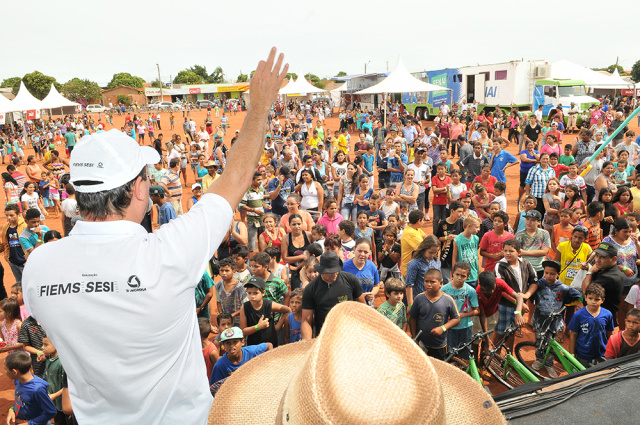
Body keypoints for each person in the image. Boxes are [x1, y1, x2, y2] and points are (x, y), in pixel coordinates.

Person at [22, 48, 287, 424]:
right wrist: (259, 107)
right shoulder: (168, 253)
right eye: (147, 175)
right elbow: (236, 178)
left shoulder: (38, 266)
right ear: (139, 189)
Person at [530, 260, 581, 377]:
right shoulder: (539, 284)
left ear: (558, 274)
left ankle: (548, 363)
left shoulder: (563, 288)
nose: (548, 276)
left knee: (550, 342)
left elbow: (577, 295)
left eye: (552, 274)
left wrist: (564, 303)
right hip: (539, 320)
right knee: (539, 340)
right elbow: (530, 291)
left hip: (553, 322)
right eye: (546, 273)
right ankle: (539, 359)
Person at [300, 252, 366, 339]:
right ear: (322, 270)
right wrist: (307, 344)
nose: (334, 274)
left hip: (350, 335)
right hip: (325, 337)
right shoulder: (310, 289)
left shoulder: (351, 280)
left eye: (336, 270)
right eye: (330, 272)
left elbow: (363, 308)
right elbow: (306, 321)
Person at [409, 269, 460, 360]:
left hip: (439, 345)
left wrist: (442, 328)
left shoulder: (448, 300)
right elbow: (413, 318)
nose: (429, 284)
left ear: (440, 283)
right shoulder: (419, 298)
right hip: (421, 343)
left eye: (432, 282)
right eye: (426, 281)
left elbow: (456, 318)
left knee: (439, 368)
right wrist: (414, 337)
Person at [209, 327, 273, 395]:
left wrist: (270, 367)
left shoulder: (251, 351)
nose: (231, 346)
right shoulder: (220, 365)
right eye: (227, 343)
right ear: (223, 345)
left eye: (235, 342)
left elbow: (269, 345)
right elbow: (214, 388)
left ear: (242, 342)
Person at [4, 351, 57, 425]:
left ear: (14, 372)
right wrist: (12, 409)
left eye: (5, 369)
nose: (5, 372)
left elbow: (51, 411)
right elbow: (20, 398)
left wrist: (29, 423)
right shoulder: (18, 380)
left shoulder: (38, 389)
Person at [568, 283, 614, 368]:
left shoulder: (607, 314)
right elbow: (573, 335)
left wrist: (611, 351)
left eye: (597, 299)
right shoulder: (578, 315)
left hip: (601, 353)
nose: (593, 301)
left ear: (602, 300)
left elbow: (609, 333)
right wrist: (572, 354)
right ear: (585, 298)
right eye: (590, 298)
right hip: (583, 354)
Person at [581, 241, 625, 327]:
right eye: (597, 255)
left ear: (614, 259)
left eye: (603, 257)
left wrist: (590, 272)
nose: (597, 260)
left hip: (601, 321)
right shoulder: (603, 269)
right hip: (595, 317)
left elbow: (586, 290)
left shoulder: (611, 277)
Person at [240, 276, 290, 348]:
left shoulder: (268, 304)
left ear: (263, 293)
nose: (252, 296)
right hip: (253, 347)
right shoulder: (245, 307)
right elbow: (243, 331)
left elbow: (288, 310)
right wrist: (258, 327)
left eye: (255, 293)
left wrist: (278, 326)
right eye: (249, 293)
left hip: (271, 345)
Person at [441, 262, 478, 359]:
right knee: (450, 352)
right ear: (452, 273)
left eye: (463, 276)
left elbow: (476, 311)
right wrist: (449, 319)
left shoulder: (470, 291)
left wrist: (461, 315)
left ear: (468, 277)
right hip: (449, 327)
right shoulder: (444, 289)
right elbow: (440, 308)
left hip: (465, 327)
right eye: (457, 274)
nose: (459, 278)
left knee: (465, 353)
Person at [40, 336, 70, 425]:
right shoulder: (49, 359)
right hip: (55, 402)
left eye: (46, 345)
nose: (42, 347)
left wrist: (54, 395)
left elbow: (67, 386)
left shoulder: (62, 363)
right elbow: (46, 378)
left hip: (63, 403)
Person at [515, 210, 551, 278]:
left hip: (539, 268)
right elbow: (518, 253)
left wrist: (524, 252)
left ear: (539, 222)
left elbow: (545, 252)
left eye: (533, 220)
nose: (529, 222)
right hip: (525, 268)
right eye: (527, 219)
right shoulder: (519, 234)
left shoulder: (544, 233)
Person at [451, 216, 480, 288]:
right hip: (462, 276)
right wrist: (454, 274)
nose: (478, 229)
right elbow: (454, 258)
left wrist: (479, 273)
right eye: (476, 227)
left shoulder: (476, 238)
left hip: (473, 276)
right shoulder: (457, 240)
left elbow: (476, 257)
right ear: (469, 226)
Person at [400, 210, 426, 277]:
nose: (424, 222)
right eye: (423, 220)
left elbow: (425, 237)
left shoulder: (415, 228)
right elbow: (425, 248)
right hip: (410, 271)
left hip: (413, 268)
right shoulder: (411, 233)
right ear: (418, 221)